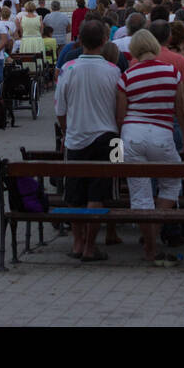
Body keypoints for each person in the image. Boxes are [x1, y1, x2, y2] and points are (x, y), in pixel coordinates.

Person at [116, 29, 184, 265]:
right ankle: (153, 238)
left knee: (140, 193)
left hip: (132, 133)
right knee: (171, 184)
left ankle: (150, 245)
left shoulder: (127, 76)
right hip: (162, 133)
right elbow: (181, 108)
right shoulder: (172, 72)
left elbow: (120, 114)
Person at [55, 19, 122, 262]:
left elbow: (60, 111)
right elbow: (120, 111)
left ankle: (77, 242)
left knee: (75, 194)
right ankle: (90, 246)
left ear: (79, 40)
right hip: (108, 138)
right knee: (99, 194)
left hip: (76, 137)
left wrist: (66, 131)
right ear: (105, 41)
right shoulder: (114, 71)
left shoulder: (68, 70)